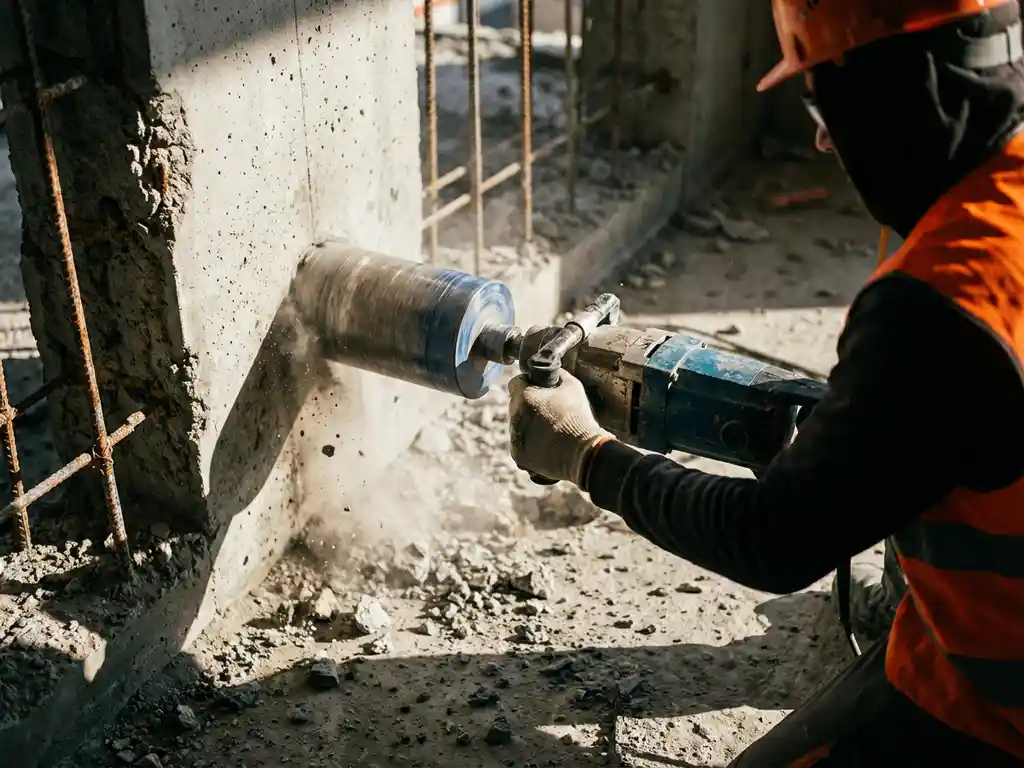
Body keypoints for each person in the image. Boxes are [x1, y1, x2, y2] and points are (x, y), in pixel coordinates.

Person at [506, 0, 1024, 764]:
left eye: (823, 103)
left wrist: (584, 453)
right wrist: (852, 441)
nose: (822, 138)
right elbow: (961, 414)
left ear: (886, 88)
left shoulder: (939, 300)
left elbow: (772, 542)